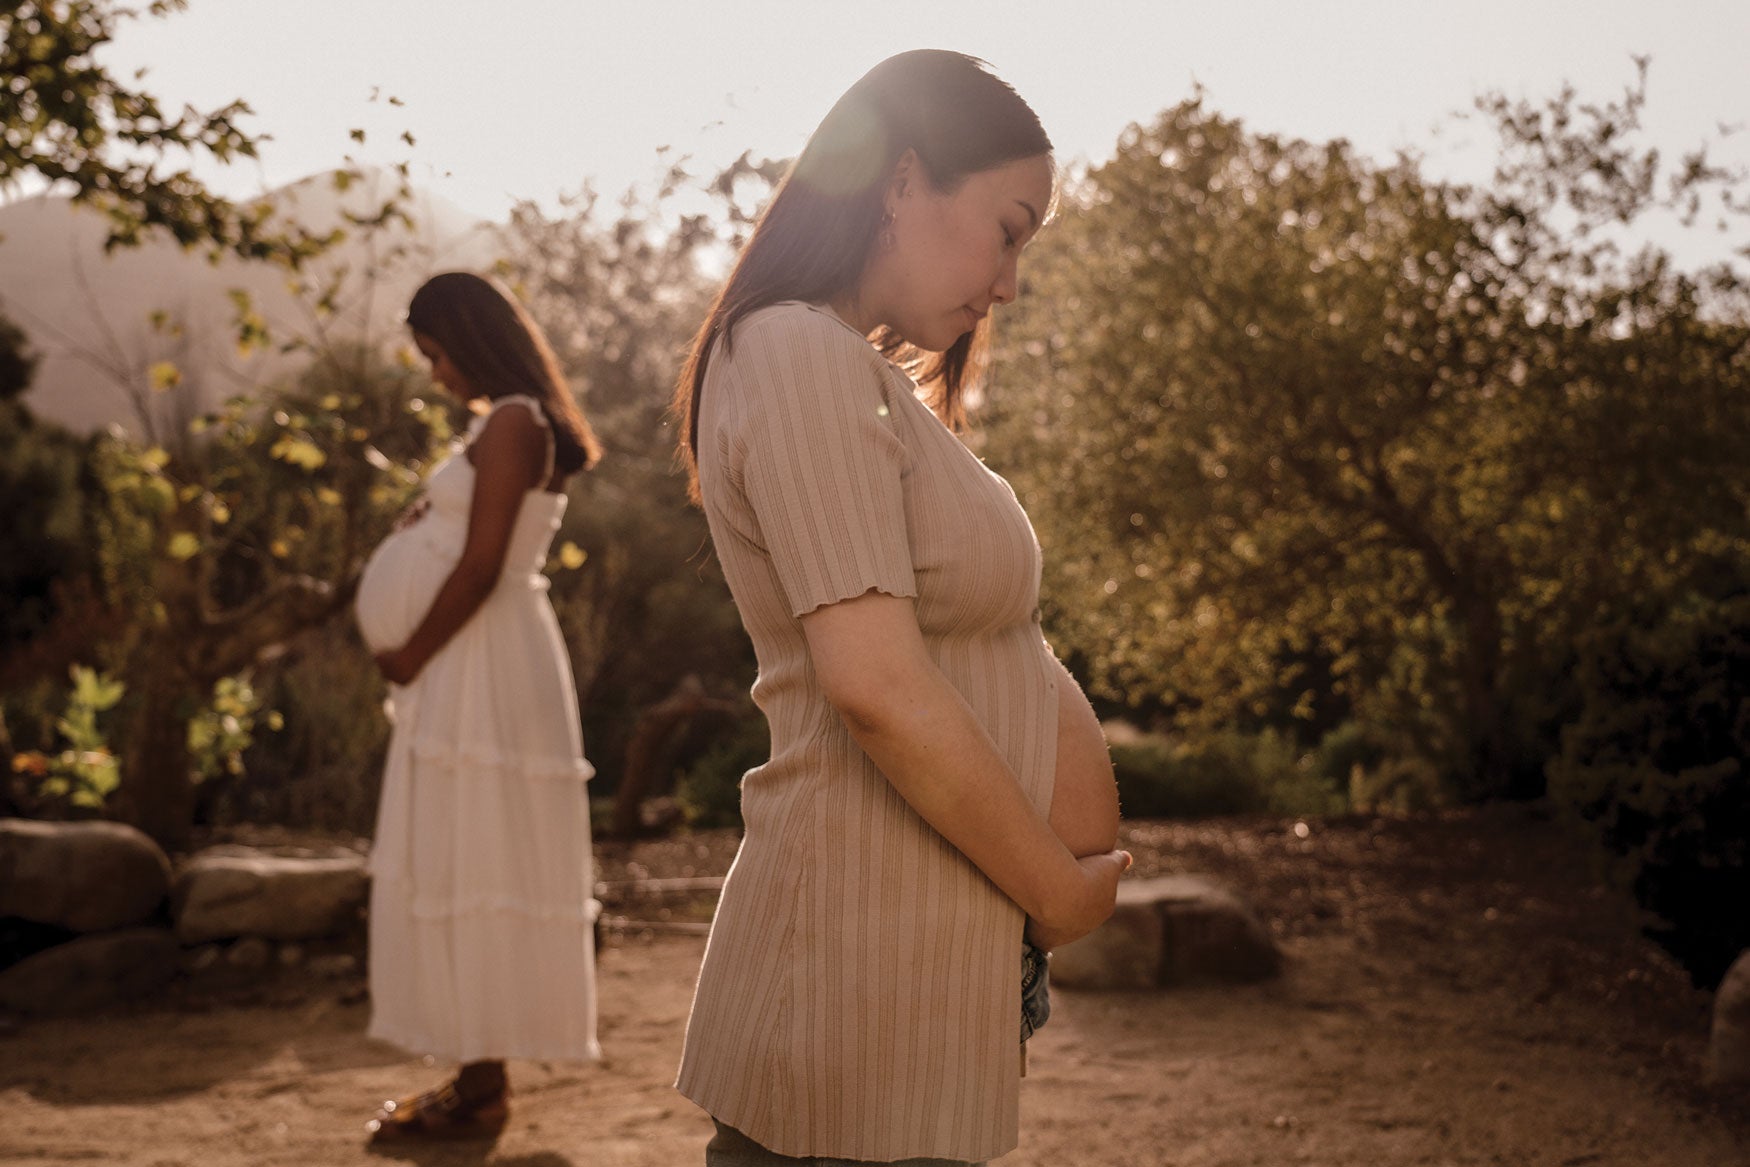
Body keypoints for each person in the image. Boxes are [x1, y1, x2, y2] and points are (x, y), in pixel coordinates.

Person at [672, 50, 1127, 1165]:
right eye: (1009, 228)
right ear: (900, 179)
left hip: (906, 968)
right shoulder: (793, 354)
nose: (1011, 281)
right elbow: (874, 688)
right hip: (852, 975)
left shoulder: (854, 378)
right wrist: (1058, 893)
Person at [352, 271, 603, 1141]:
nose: (434, 373)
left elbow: (483, 561)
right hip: (481, 656)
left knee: (476, 850)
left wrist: (411, 655)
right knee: (467, 852)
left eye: (436, 352)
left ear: (468, 335)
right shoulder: (507, 424)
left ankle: (481, 1083)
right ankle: (477, 1076)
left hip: (479, 658)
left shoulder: (512, 421)